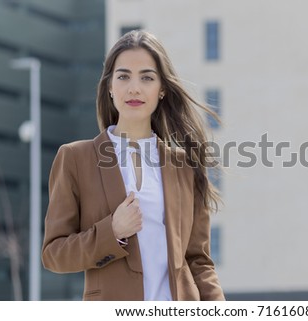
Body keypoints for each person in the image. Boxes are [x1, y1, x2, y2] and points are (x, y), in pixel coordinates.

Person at [41, 30, 225, 301]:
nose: (134, 88)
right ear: (109, 87)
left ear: (162, 89)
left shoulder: (185, 165)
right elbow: (54, 254)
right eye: (124, 76)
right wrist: (111, 232)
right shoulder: (75, 158)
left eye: (147, 77)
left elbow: (199, 261)